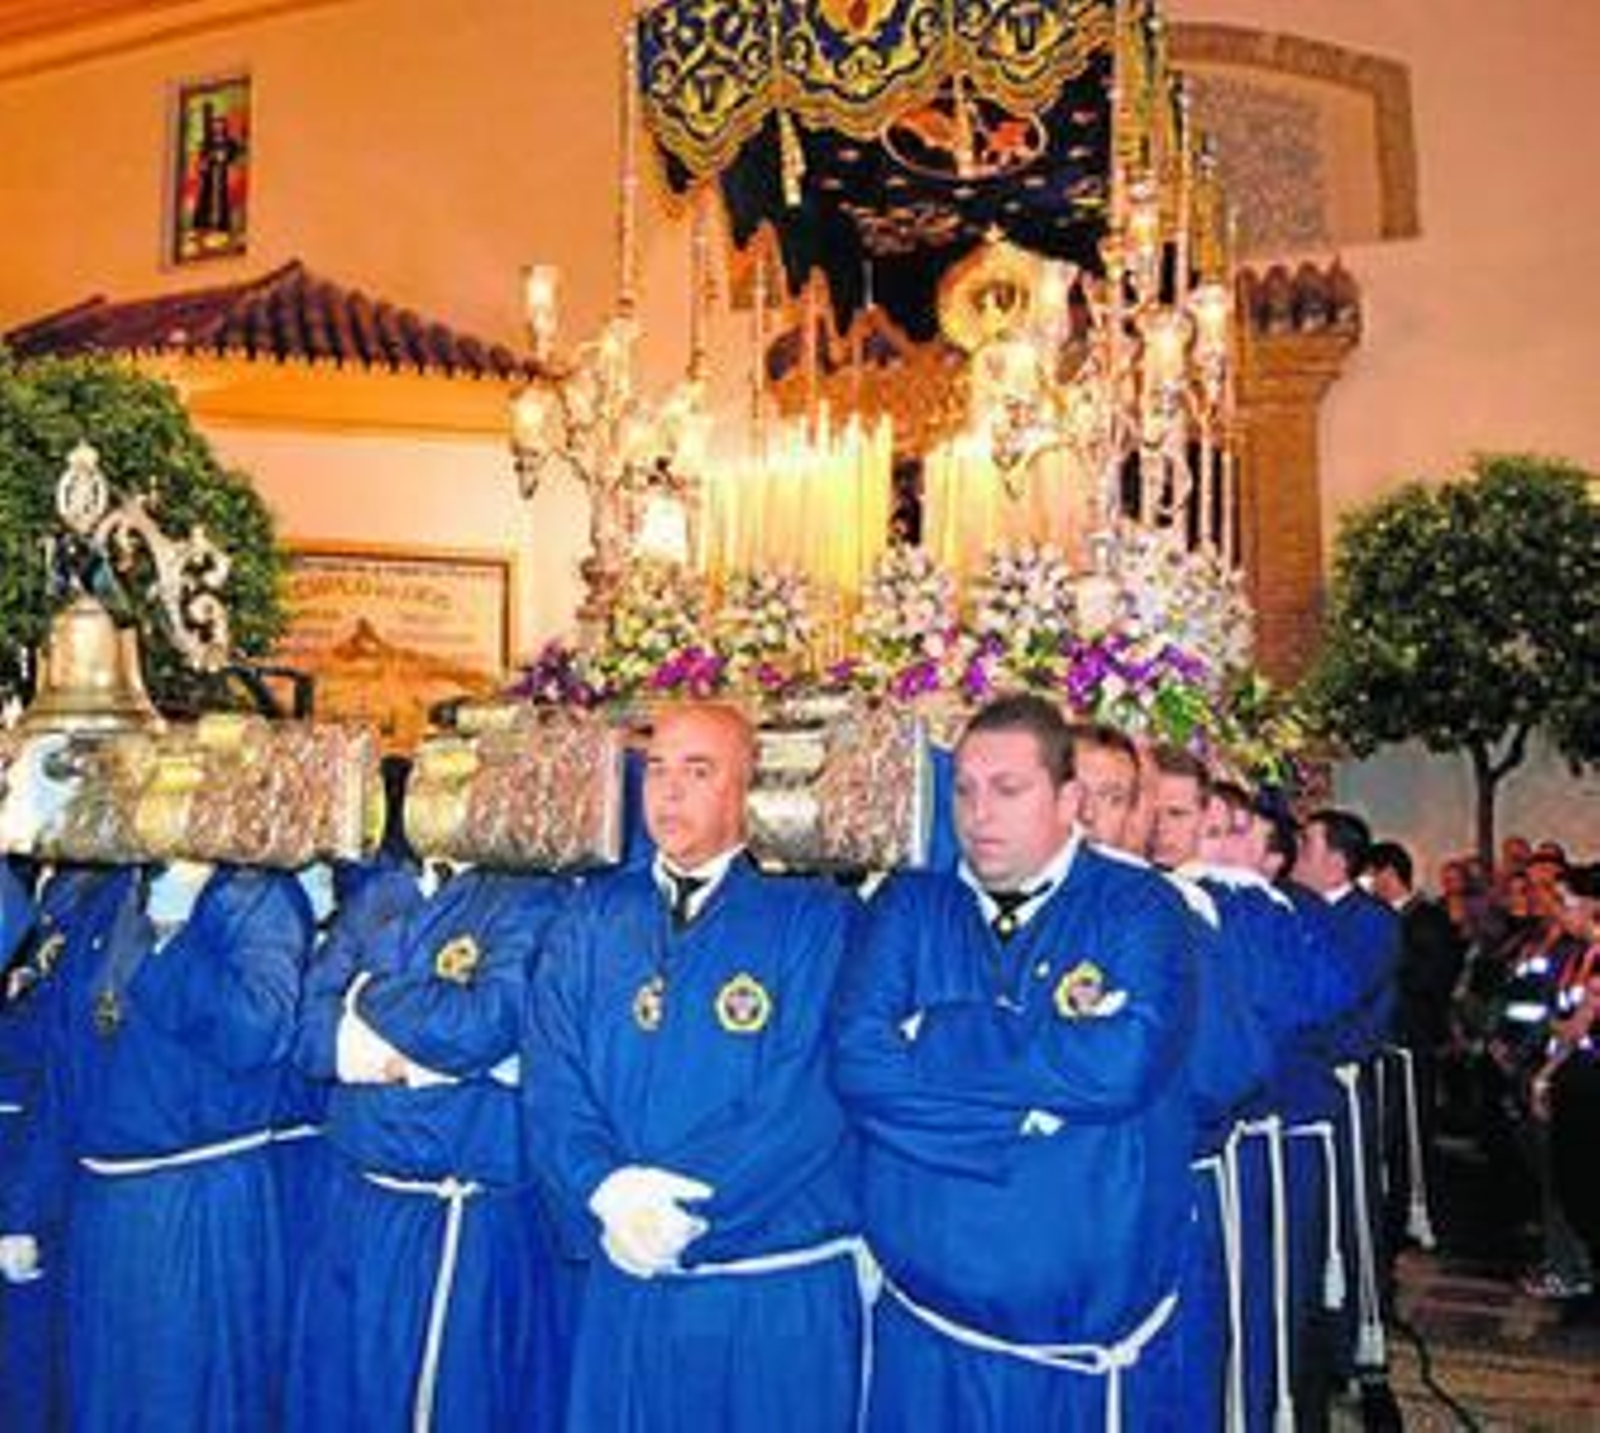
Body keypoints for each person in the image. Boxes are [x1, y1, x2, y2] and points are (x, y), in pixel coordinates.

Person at [835, 694, 1196, 1431]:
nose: (979, 813)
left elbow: (1126, 1062)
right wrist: (1027, 1120)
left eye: (1008, 789)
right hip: (926, 1337)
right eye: (964, 789)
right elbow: (857, 1063)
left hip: (1072, 1356)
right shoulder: (910, 903)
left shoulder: (1139, 907)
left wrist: (938, 1034)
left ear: (1070, 801)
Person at [525, 702, 862, 1432]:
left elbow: (809, 1097)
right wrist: (606, 1189)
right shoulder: (590, 915)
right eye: (658, 769)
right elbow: (552, 1076)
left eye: (699, 771)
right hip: (627, 1273)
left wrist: (680, 1215)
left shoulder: (815, 918)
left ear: (746, 788)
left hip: (764, 1292)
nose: (669, 790)